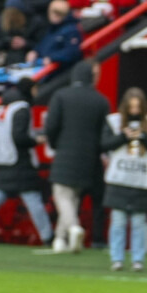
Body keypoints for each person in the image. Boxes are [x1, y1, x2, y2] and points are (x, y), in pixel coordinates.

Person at [0, 77, 52, 245]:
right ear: (29, 89)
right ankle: (47, 235)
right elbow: (19, 137)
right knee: (32, 198)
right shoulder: (22, 108)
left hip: (2, 159)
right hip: (18, 161)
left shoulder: (5, 107)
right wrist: (36, 141)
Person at [44, 60, 110, 253]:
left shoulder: (61, 95)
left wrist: (56, 144)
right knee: (72, 198)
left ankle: (73, 227)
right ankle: (60, 240)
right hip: (89, 157)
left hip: (65, 152)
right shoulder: (101, 100)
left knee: (61, 195)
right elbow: (103, 134)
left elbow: (51, 126)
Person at [101, 87, 147, 271]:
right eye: (131, 107)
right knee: (118, 221)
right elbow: (104, 144)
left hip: (141, 179)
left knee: (138, 223)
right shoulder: (113, 121)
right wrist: (123, 136)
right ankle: (117, 259)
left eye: (138, 107)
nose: (134, 111)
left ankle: (138, 260)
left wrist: (143, 136)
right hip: (118, 178)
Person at [27, 0, 82, 70]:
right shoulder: (51, 28)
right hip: (42, 67)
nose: (55, 15)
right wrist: (35, 51)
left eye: (59, 13)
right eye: (53, 12)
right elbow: (43, 45)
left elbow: (72, 52)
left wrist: (52, 58)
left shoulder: (71, 30)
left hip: (60, 70)